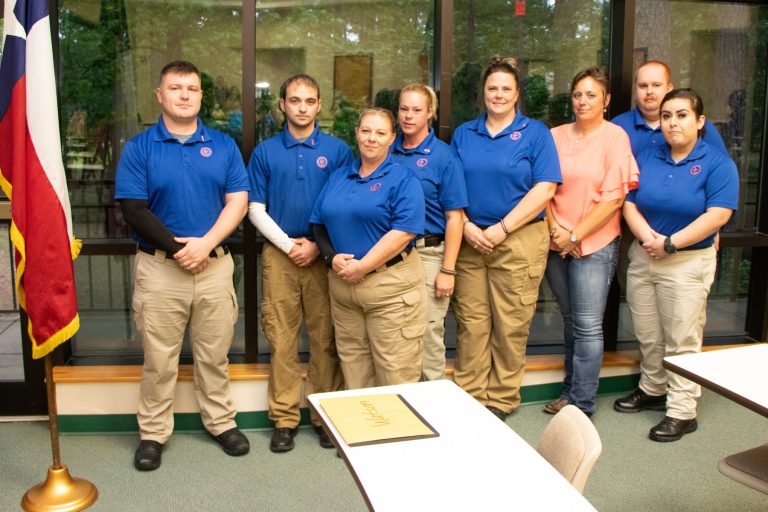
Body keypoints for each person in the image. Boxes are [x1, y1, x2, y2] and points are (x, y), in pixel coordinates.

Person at [115, 60, 250, 470]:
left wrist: (206, 244)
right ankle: (153, 433)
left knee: (214, 354)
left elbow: (238, 201)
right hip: (159, 270)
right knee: (159, 359)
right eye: (176, 88)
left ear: (201, 96)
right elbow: (133, 210)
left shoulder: (223, 145)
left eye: (192, 88)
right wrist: (180, 250)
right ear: (160, 95)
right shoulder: (140, 147)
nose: (184, 95)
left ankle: (221, 423)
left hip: (214, 267)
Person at [614, 89, 738, 442]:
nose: (672, 123)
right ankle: (652, 389)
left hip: (686, 262)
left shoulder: (717, 163)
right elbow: (629, 202)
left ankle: (682, 411)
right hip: (645, 256)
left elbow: (718, 214)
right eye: (667, 116)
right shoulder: (650, 155)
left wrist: (670, 243)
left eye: (681, 115)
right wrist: (649, 239)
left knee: (682, 338)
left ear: (699, 122)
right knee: (648, 334)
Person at [450, 56, 561, 421]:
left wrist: (502, 228)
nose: (498, 94)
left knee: (511, 323)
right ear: (483, 92)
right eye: (492, 87)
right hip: (470, 238)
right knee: (472, 323)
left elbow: (544, 188)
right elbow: (451, 186)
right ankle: (470, 394)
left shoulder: (535, 133)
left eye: (506, 89)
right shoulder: (465, 133)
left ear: (517, 94)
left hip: (517, 239)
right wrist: (466, 226)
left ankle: (501, 397)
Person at [246, 75, 353, 453]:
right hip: (280, 254)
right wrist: (289, 245)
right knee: (282, 339)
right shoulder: (265, 152)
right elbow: (254, 209)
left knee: (326, 339)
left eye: (309, 100)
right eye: (295, 100)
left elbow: (344, 205)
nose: (302, 107)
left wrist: (318, 248)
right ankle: (284, 418)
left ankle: (324, 417)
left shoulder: (339, 151)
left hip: (325, 255)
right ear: (283, 105)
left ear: (320, 105)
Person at [543, 67, 638, 417]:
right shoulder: (554, 136)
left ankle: (581, 403)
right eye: (578, 94)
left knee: (587, 325)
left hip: (594, 244)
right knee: (569, 320)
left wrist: (575, 235)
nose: (582, 101)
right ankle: (569, 393)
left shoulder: (615, 138)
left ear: (607, 100)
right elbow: (544, 190)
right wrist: (557, 231)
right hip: (555, 243)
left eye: (591, 95)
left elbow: (613, 199)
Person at [310, 108, 427, 389]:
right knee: (354, 371)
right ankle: (365, 433)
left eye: (380, 132)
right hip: (344, 293)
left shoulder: (403, 179)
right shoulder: (339, 176)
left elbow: (403, 232)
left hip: (391, 291)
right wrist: (331, 257)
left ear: (392, 138)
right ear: (357, 133)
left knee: (395, 372)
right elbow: (318, 223)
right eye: (366, 131)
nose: (371, 138)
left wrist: (363, 266)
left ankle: (401, 434)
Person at [389, 83, 468, 381]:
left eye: (416, 110)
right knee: (397, 329)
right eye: (404, 109)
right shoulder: (388, 150)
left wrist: (448, 269)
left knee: (429, 329)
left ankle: (434, 403)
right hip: (391, 254)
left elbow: (455, 218)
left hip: (429, 253)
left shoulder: (443, 157)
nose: (408, 116)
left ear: (430, 113)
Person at [612, 60, 727, 158]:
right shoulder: (618, 126)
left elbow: (721, 167)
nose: (649, 91)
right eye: (643, 86)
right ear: (635, 89)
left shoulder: (697, 126)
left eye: (656, 85)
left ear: (669, 88)